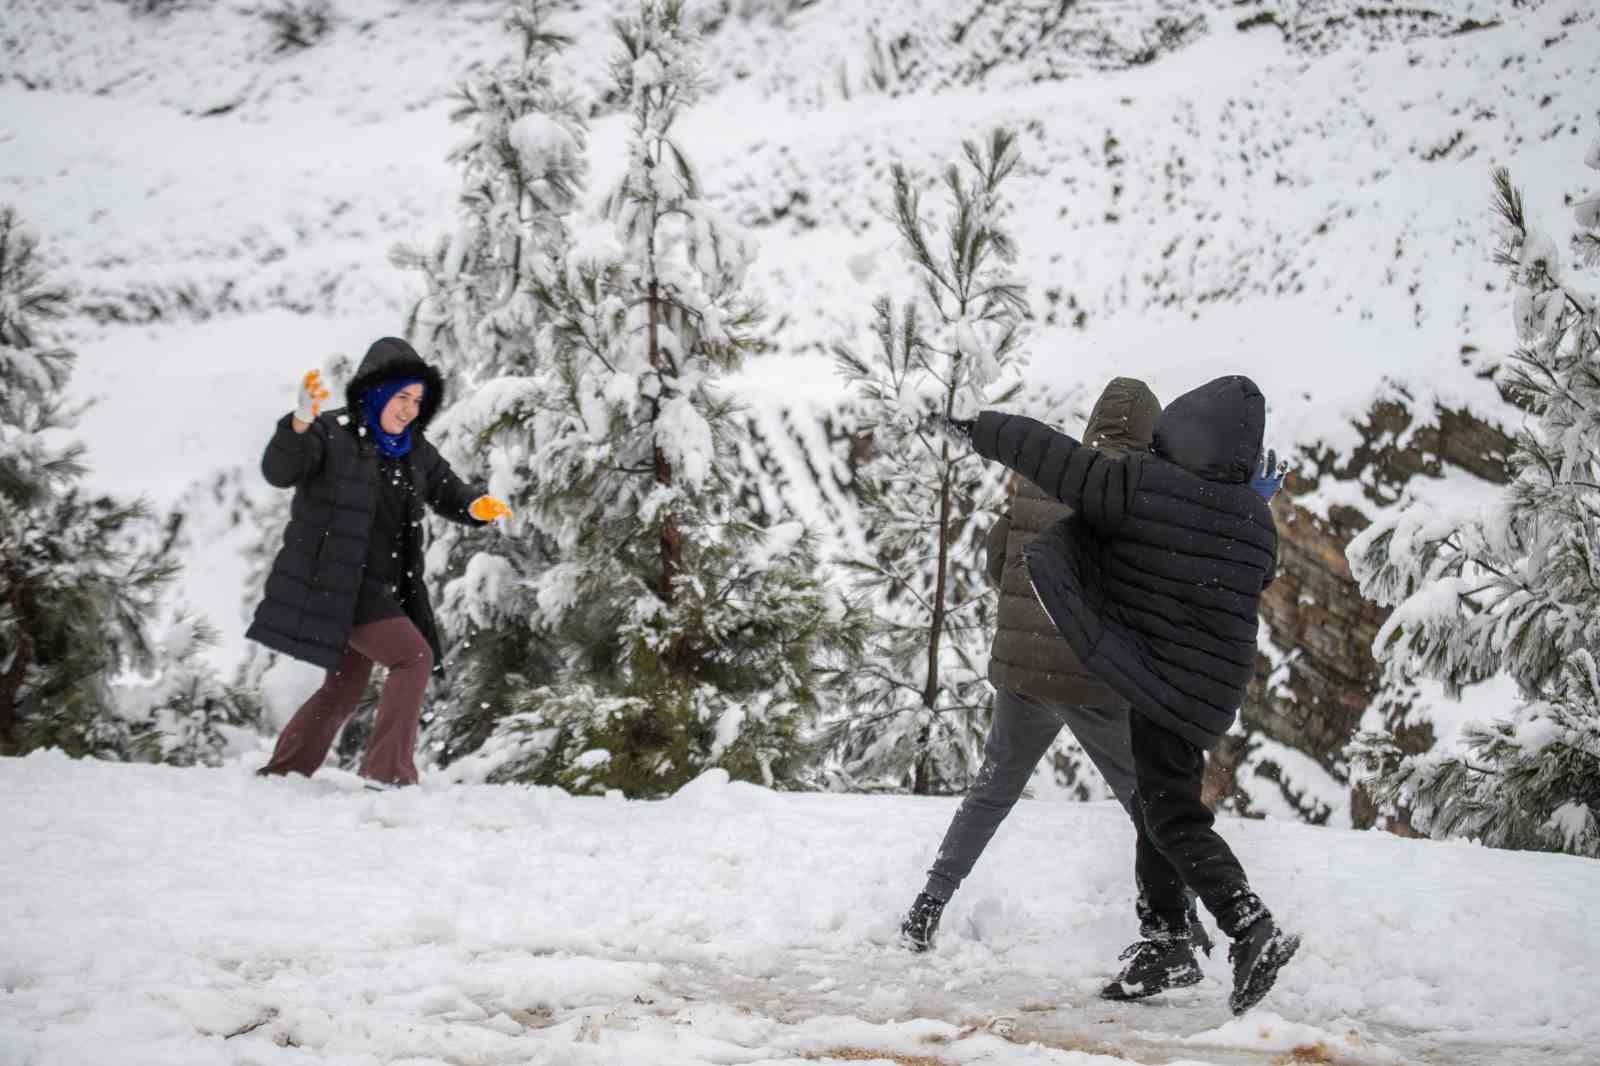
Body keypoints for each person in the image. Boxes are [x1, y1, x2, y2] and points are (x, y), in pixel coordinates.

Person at [930, 375, 1298, 1016]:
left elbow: (1047, 453)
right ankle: (1165, 937)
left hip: (1163, 682)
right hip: (1208, 689)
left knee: (1171, 816)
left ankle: (1247, 925)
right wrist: (1249, 504)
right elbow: (1257, 569)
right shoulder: (1253, 519)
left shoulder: (1140, 487)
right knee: (1157, 805)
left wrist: (976, 428)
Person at [899, 378, 1213, 972]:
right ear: (1151, 433)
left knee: (992, 790)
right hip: (1096, 682)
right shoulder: (1143, 494)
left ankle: (928, 903)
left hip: (1024, 677)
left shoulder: (1044, 473)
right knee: (1150, 802)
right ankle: (1186, 920)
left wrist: (1033, 625)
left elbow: (999, 560)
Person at [250, 337, 512, 788]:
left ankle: (285, 771)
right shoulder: (330, 433)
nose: (409, 409)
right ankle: (388, 773)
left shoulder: (412, 448)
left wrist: (475, 507)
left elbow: (446, 488)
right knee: (414, 658)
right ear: (374, 391)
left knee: (345, 686)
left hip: (380, 586)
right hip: (337, 583)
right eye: (401, 397)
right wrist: (298, 424)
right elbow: (280, 472)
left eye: (417, 400)